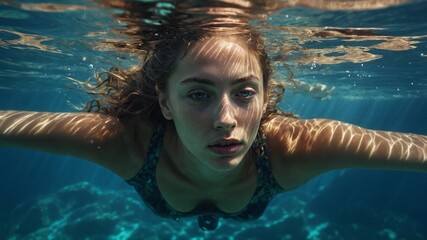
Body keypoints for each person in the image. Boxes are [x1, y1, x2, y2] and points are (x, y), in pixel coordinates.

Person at [0, 27, 426, 231]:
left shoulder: (295, 148)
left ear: (264, 96)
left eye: (244, 93)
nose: (226, 119)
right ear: (164, 102)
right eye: (199, 95)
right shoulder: (125, 143)